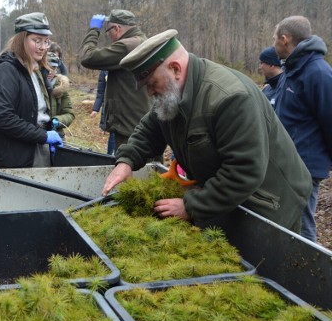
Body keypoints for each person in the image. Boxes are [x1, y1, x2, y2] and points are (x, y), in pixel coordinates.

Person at [102, 29, 311, 234]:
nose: (149, 92)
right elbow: (150, 129)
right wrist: (126, 161)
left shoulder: (230, 98)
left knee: (263, 266)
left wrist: (190, 206)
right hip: (227, 199)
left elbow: (244, 171)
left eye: (152, 83)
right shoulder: (173, 94)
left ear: (175, 69)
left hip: (270, 204)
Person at [272, 15, 332, 242]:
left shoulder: (318, 72)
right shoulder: (291, 68)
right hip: (285, 163)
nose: (273, 44)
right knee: (286, 221)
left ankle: (309, 272)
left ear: (285, 39)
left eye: (274, 39)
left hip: (304, 166)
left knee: (302, 223)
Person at [0, 12, 63, 168]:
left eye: (46, 41)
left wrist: (47, 130)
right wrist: (43, 135)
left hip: (35, 147)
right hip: (11, 157)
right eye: (37, 40)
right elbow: (2, 116)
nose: (43, 47)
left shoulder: (36, 69)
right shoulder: (6, 70)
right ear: (21, 39)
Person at [78, 9, 150, 148]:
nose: (110, 36)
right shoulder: (142, 41)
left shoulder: (127, 46)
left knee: (132, 167)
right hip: (140, 123)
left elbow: (87, 57)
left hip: (130, 127)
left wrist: (93, 30)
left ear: (116, 28)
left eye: (108, 31)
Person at [46, 52, 74, 138]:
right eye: (47, 67)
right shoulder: (33, 84)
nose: (50, 71)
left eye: (53, 67)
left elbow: (69, 114)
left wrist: (58, 121)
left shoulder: (61, 87)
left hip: (56, 135)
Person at [90, 70, 115, 154]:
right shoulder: (104, 71)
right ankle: (110, 158)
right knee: (113, 132)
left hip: (126, 107)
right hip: (111, 108)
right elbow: (100, 92)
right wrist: (95, 109)